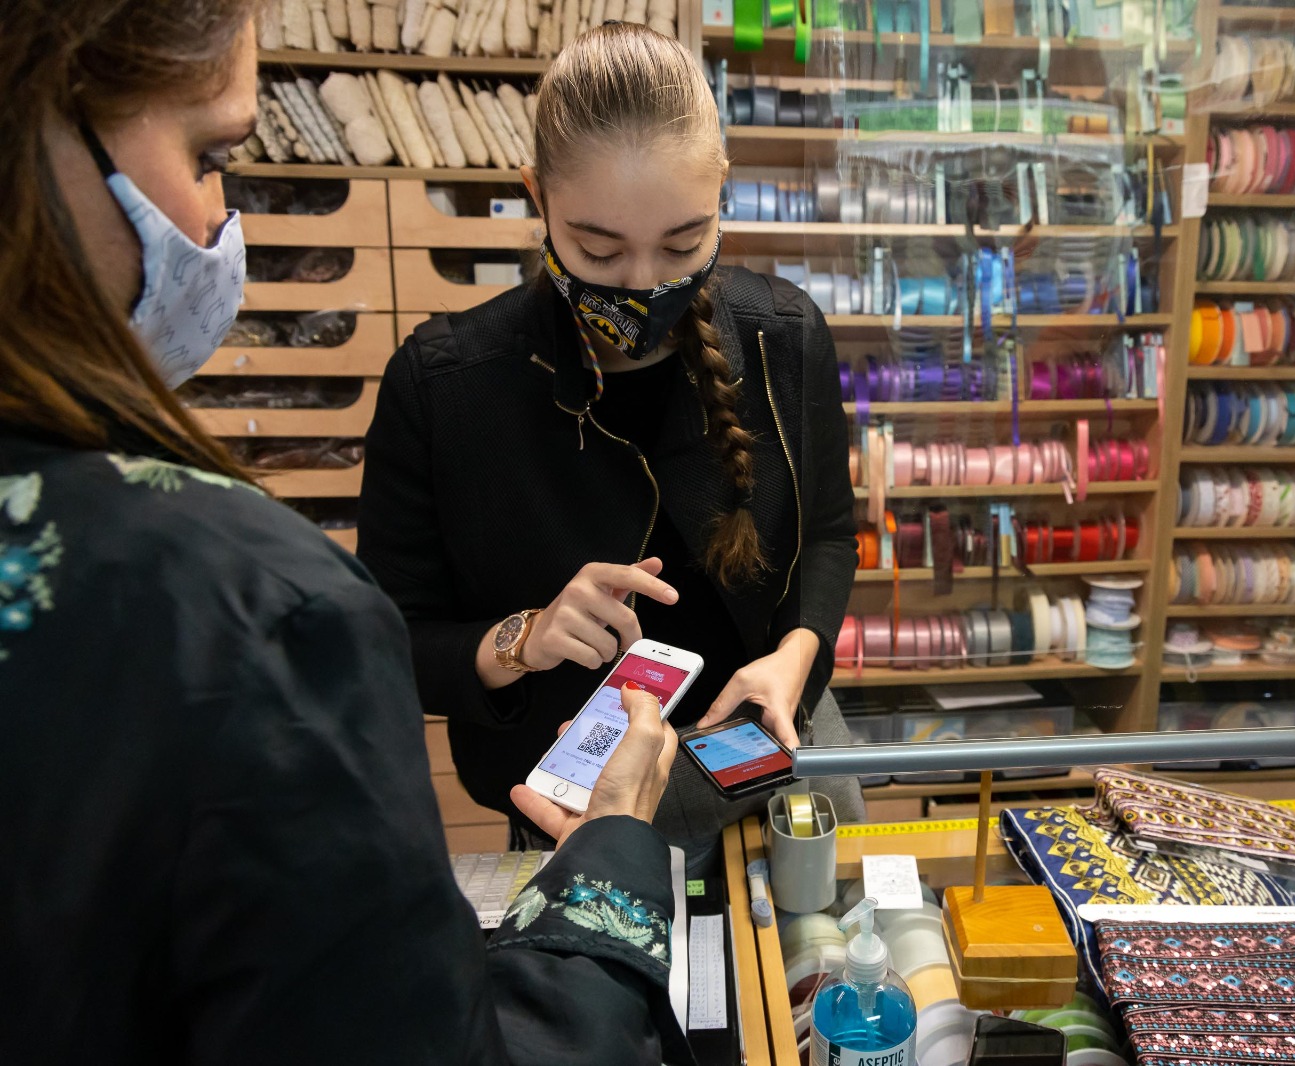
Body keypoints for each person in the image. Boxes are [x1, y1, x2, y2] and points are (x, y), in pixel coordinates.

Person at [0, 3, 690, 1061]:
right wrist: (611, 853)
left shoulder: (779, 335)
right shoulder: (267, 616)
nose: (220, 217)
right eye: (211, 154)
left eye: (682, 243)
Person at [358, 22, 863, 862]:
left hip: (766, 757)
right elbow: (392, 643)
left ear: (721, 189)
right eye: (598, 248)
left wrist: (796, 654)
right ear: (537, 197)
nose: (644, 285)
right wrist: (522, 638)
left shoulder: (784, 336)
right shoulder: (444, 385)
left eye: (683, 243)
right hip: (573, 807)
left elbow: (829, 537)